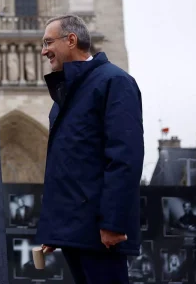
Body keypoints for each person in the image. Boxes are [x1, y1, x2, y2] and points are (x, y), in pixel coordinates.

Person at [35, 15, 144, 284]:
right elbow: (66, 168)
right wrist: (56, 230)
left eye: (48, 42)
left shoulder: (114, 82)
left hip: (101, 232)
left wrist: (114, 223)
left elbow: (125, 157)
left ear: (71, 40)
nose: (43, 50)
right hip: (77, 231)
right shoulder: (65, 95)